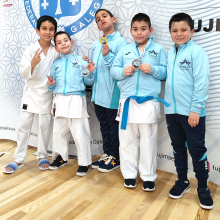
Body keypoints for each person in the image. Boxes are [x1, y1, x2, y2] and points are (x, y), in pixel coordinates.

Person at [110, 13, 167, 191]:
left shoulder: (158, 50)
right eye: (135, 29)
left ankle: (148, 176)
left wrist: (154, 69)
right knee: (127, 140)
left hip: (148, 102)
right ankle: (129, 174)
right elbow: (113, 70)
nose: (139, 32)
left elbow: (165, 72)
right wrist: (123, 72)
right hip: (126, 101)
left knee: (148, 140)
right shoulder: (125, 50)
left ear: (150, 30)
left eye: (143, 29)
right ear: (130, 31)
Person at [164, 13, 214, 209]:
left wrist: (195, 109)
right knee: (177, 148)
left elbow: (202, 83)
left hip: (192, 113)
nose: (179, 33)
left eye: (183, 30)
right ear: (170, 32)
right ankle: (183, 181)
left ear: (192, 31)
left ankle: (203, 188)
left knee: (197, 150)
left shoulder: (197, 52)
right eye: (175, 30)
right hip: (172, 111)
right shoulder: (170, 53)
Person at [3, 15, 59, 174]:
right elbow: (24, 73)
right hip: (30, 94)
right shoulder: (30, 50)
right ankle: (18, 159)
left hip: (47, 94)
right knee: (24, 126)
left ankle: (42, 155)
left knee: (43, 126)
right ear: (37, 30)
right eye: (44, 29)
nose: (48, 32)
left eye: (51, 29)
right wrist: (33, 63)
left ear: (54, 32)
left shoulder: (56, 51)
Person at [47, 31, 96, 176]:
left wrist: (89, 72)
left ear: (71, 42)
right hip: (59, 99)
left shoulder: (82, 60)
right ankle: (60, 157)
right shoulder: (56, 63)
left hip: (76, 98)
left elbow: (89, 82)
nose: (63, 44)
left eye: (65, 40)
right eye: (59, 42)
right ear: (56, 48)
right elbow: (51, 85)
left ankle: (85, 162)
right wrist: (50, 84)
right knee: (58, 131)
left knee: (80, 132)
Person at [83, 9, 127, 172]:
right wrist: (89, 71)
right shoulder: (96, 43)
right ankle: (107, 154)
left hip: (113, 94)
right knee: (104, 126)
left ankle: (115, 157)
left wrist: (108, 54)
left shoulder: (121, 42)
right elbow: (94, 70)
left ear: (113, 19)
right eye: (97, 19)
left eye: (104, 17)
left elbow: (119, 69)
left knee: (112, 127)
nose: (101, 20)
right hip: (98, 94)